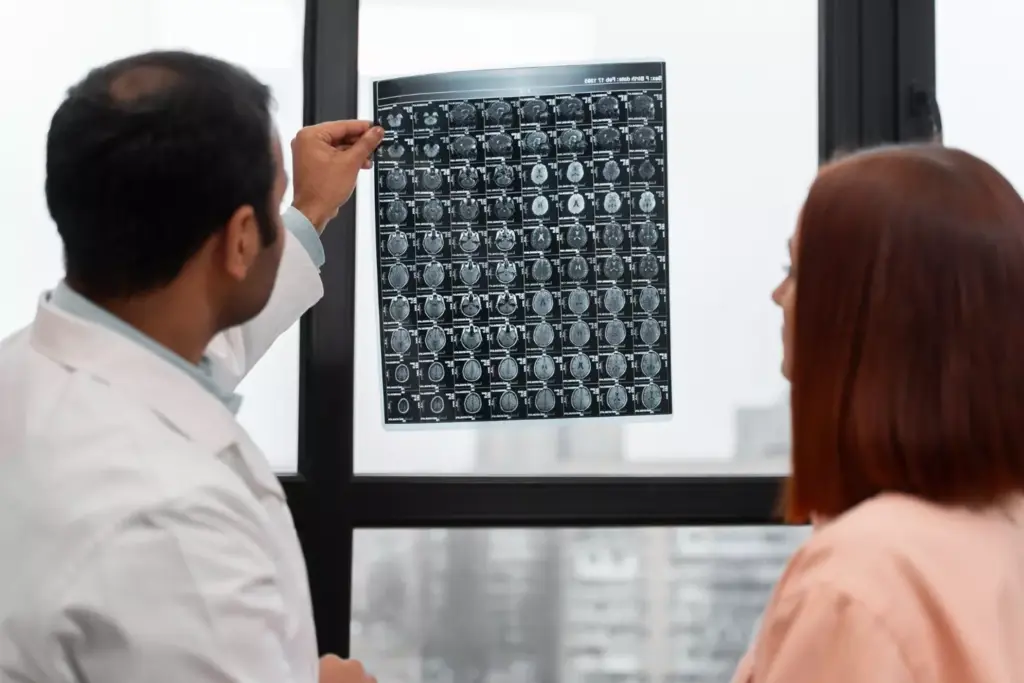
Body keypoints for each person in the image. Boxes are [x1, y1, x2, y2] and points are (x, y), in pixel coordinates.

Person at [0, 51, 384, 683]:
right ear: (241, 238)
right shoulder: (174, 524)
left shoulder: (32, 372)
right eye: (274, 204)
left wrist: (310, 209)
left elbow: (197, 346)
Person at [731, 144, 1024, 682]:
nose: (777, 296)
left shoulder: (860, 579)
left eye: (795, 270)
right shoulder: (1001, 532)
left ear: (864, 311)